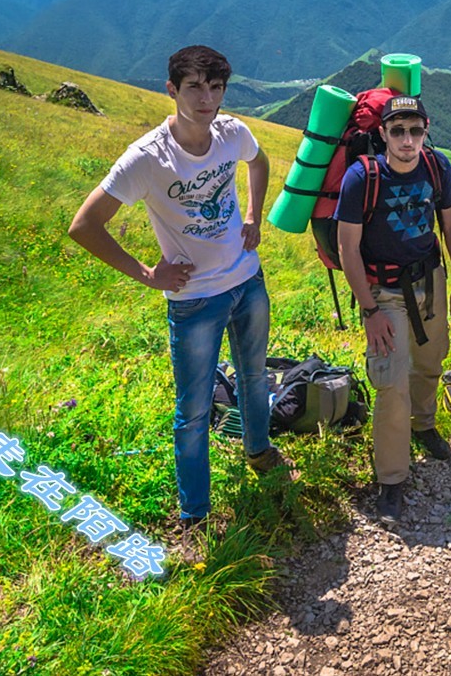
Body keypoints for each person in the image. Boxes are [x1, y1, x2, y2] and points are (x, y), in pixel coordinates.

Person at [68, 45, 291, 536]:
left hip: (247, 280)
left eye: (215, 87)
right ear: (171, 90)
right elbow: (84, 225)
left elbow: (259, 162)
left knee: (255, 377)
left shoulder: (233, 133)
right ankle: (195, 514)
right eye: (194, 86)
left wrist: (253, 215)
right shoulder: (147, 159)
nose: (206, 98)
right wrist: (148, 274)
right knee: (192, 410)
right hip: (194, 302)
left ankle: (258, 451)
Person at [335, 95, 451, 525]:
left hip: (430, 279)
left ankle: (424, 424)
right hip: (383, 291)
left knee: (431, 361)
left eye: (415, 130)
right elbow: (347, 248)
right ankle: (391, 478)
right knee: (391, 382)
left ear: (426, 129)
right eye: (398, 131)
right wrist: (370, 310)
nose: (408, 140)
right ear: (383, 134)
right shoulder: (363, 177)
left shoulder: (437, 166)